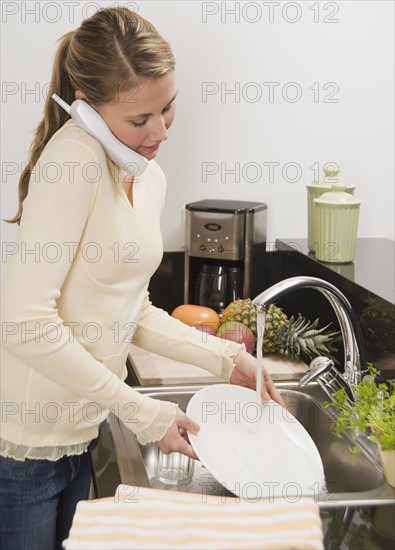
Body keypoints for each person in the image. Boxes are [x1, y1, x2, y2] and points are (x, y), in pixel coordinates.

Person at [0, 7, 285, 550]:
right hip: (22, 446)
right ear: (87, 107)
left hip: (78, 434)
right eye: (139, 120)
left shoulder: (144, 175)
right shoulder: (74, 163)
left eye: (168, 107)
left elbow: (127, 310)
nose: (159, 132)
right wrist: (141, 411)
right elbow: (23, 323)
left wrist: (227, 360)